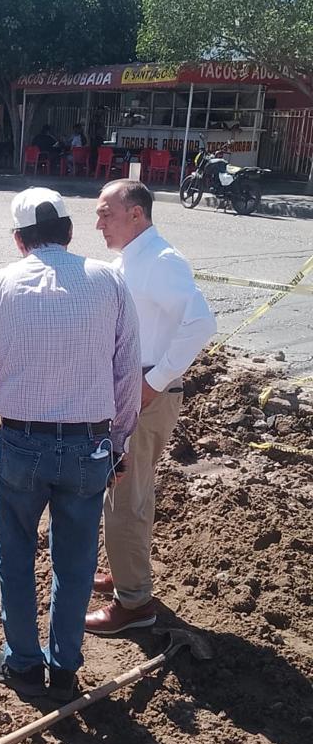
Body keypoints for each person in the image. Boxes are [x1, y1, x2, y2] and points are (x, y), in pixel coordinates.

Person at [0, 187, 141, 699]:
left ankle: (24, 664)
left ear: (18, 240)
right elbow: (125, 375)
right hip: (88, 446)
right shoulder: (108, 282)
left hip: (22, 444)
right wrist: (118, 444)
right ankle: (66, 667)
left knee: (14, 552)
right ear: (70, 233)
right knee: (74, 562)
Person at [86, 180, 216, 636]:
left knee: (127, 495)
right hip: (129, 390)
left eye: (107, 213)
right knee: (123, 489)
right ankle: (126, 575)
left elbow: (201, 322)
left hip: (145, 393)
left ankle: (135, 604)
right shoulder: (128, 261)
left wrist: (152, 383)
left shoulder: (161, 262)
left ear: (137, 214)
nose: (98, 221)